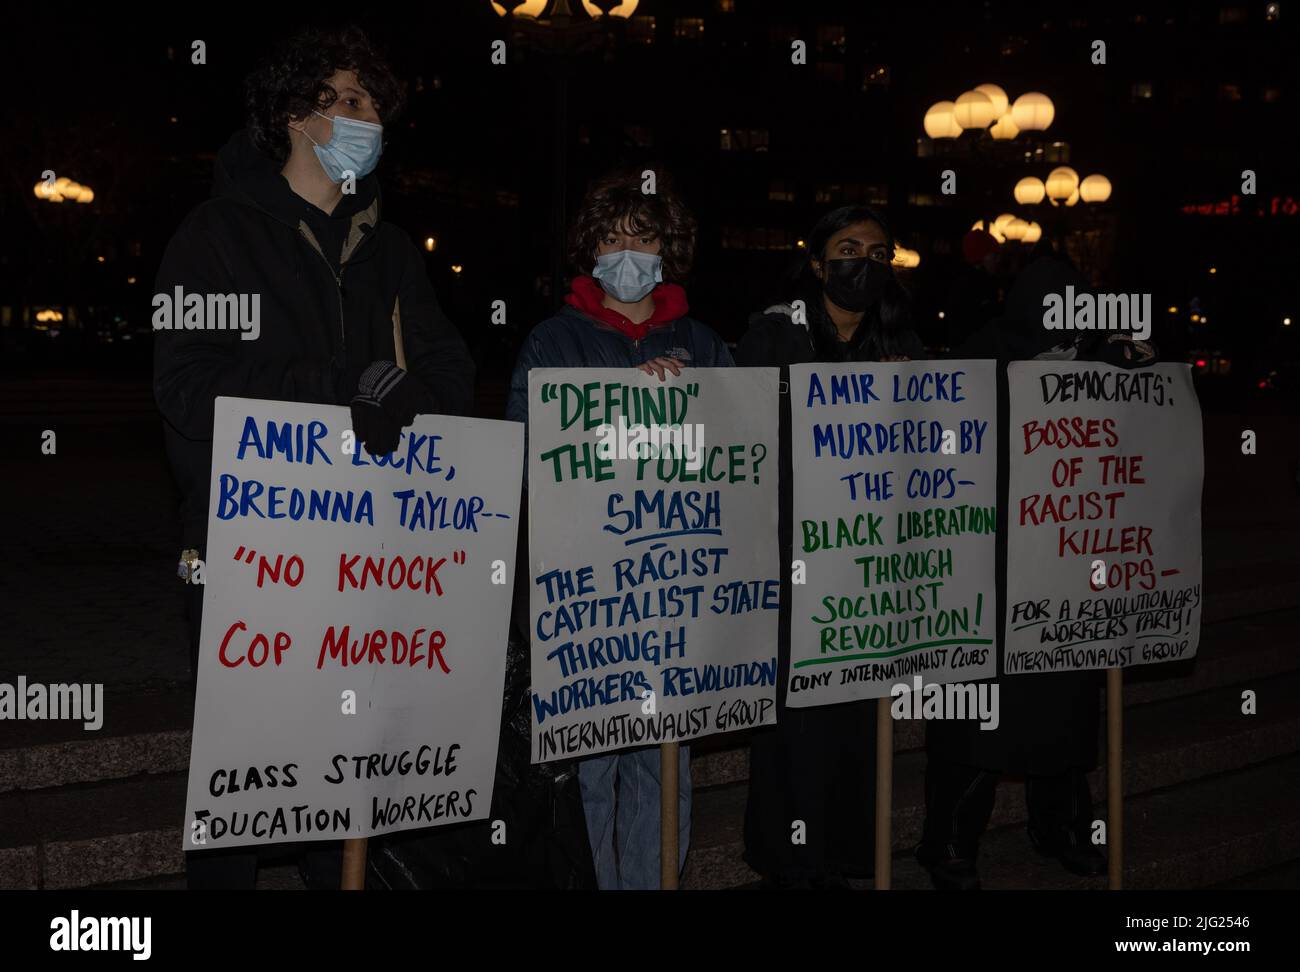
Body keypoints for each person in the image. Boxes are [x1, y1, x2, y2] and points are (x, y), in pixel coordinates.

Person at [153, 25, 475, 889]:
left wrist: (409, 397)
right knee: (247, 782)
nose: (367, 117)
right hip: (247, 550)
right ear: (299, 117)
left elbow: (448, 371)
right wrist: (341, 385)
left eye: (373, 104)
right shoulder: (216, 236)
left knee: (348, 771)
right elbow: (188, 388)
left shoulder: (392, 251)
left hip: (369, 555)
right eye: (349, 100)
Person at [506, 167, 734, 889]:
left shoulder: (702, 340)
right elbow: (523, 452)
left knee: (665, 769)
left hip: (675, 599)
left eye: (643, 238)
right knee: (591, 769)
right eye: (612, 238)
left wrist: (690, 398)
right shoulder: (552, 341)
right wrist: (610, 405)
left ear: (668, 251)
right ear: (589, 250)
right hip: (586, 601)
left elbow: (739, 456)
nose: (627, 254)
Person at [917, 247, 1156, 890]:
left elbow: (1146, 444)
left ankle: (1063, 831)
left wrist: (1136, 366)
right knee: (975, 724)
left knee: (1068, 720)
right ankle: (949, 844)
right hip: (988, 579)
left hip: (1066, 576)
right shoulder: (976, 358)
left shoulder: (1102, 362)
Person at [735, 205, 922, 887]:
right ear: (817, 263)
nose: (863, 262)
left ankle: (849, 851)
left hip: (867, 567)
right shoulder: (771, 338)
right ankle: (788, 856)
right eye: (848, 249)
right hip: (792, 564)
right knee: (795, 723)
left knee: (857, 718)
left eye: (879, 252)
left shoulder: (905, 343)